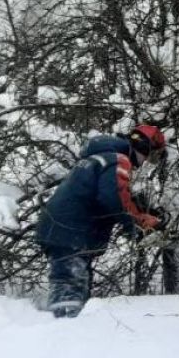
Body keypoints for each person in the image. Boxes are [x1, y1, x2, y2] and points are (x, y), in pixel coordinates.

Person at [35, 124, 167, 317]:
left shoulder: (101, 157)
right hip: (70, 230)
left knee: (77, 281)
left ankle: (69, 329)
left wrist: (136, 213)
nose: (147, 161)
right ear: (144, 147)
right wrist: (136, 223)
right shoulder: (118, 159)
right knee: (70, 286)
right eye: (151, 155)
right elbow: (112, 197)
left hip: (64, 228)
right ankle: (62, 330)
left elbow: (113, 195)